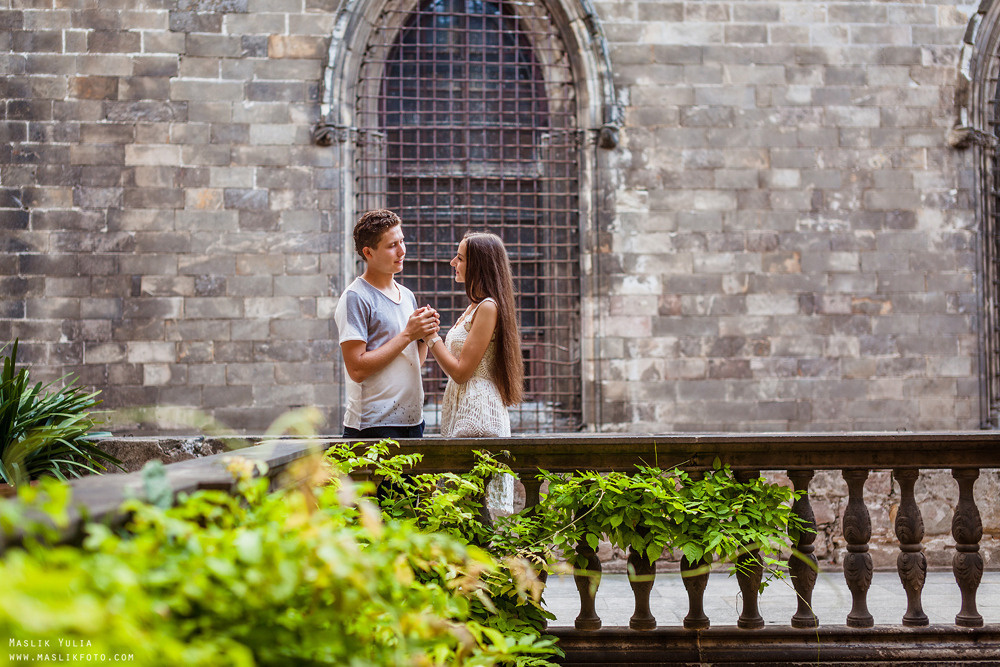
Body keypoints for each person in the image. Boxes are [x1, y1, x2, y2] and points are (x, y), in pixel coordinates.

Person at [334, 209, 440, 439]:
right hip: (374, 426)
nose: (402, 250)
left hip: (414, 422)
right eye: (392, 245)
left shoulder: (407, 295)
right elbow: (357, 369)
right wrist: (408, 334)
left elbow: (413, 361)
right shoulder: (356, 297)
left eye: (402, 241)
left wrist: (422, 336)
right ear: (368, 252)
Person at [426, 232, 524, 438]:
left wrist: (430, 337)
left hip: (479, 413)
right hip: (464, 406)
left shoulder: (488, 307)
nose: (453, 262)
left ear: (478, 265)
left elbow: (461, 373)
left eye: (460, 258)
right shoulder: (474, 307)